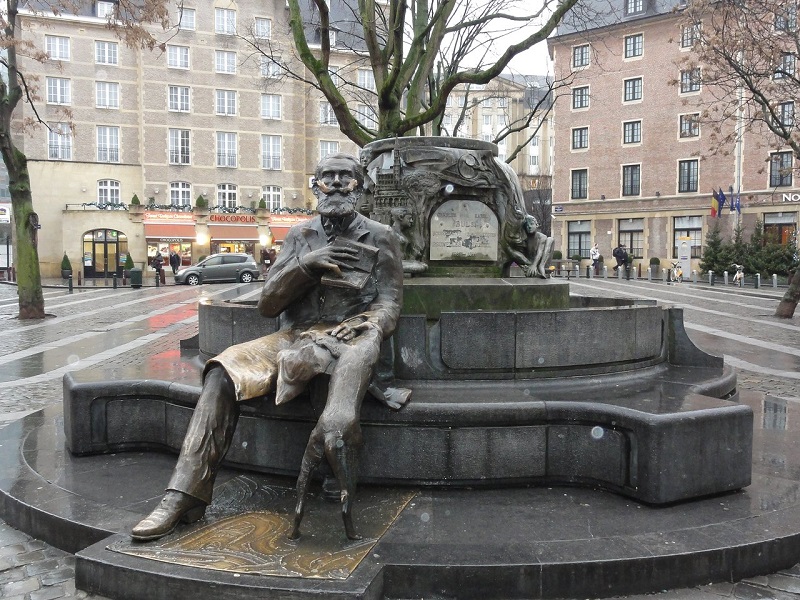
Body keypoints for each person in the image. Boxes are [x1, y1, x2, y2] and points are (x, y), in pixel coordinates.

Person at [131, 153, 403, 542]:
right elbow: (267, 304)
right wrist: (307, 265)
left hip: (347, 337)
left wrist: (366, 323)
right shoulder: (299, 236)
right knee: (222, 372)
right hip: (291, 336)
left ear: (361, 186)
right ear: (316, 186)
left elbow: (390, 303)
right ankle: (183, 496)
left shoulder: (381, 235)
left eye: (347, 176)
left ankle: (333, 474)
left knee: (324, 369)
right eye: (329, 177)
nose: (338, 183)